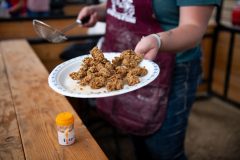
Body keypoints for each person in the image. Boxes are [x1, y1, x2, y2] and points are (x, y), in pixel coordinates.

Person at [77, 0, 221, 160]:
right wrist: (99, 11)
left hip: (171, 68)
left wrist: (158, 40)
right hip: (125, 64)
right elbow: (127, 6)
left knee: (163, 151)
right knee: (136, 134)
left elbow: (194, 27)